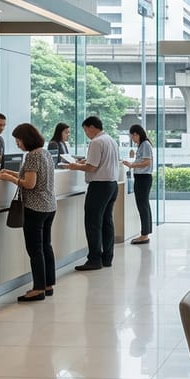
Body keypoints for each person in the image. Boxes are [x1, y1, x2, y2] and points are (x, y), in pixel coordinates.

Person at [0, 123, 57, 301]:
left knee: (35, 249)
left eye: (18, 140)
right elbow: (33, 178)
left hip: (35, 208)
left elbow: (29, 184)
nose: (17, 144)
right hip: (49, 206)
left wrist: (8, 178)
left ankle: (38, 288)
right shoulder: (44, 153)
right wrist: (12, 173)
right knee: (46, 246)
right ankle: (48, 284)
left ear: (26, 139)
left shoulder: (32, 156)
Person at [67, 116, 121, 271]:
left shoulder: (96, 142)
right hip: (112, 185)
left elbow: (92, 167)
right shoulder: (110, 139)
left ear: (91, 127)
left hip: (99, 186)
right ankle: (107, 258)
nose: (86, 134)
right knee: (106, 222)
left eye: (85, 130)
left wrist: (74, 166)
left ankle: (94, 259)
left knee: (93, 224)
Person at [122, 124, 153, 245]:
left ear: (137, 134)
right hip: (141, 177)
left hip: (143, 178)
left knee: (143, 206)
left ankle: (144, 235)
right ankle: (145, 233)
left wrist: (132, 165)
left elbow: (146, 162)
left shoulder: (145, 144)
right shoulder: (142, 145)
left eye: (132, 136)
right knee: (143, 205)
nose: (132, 139)